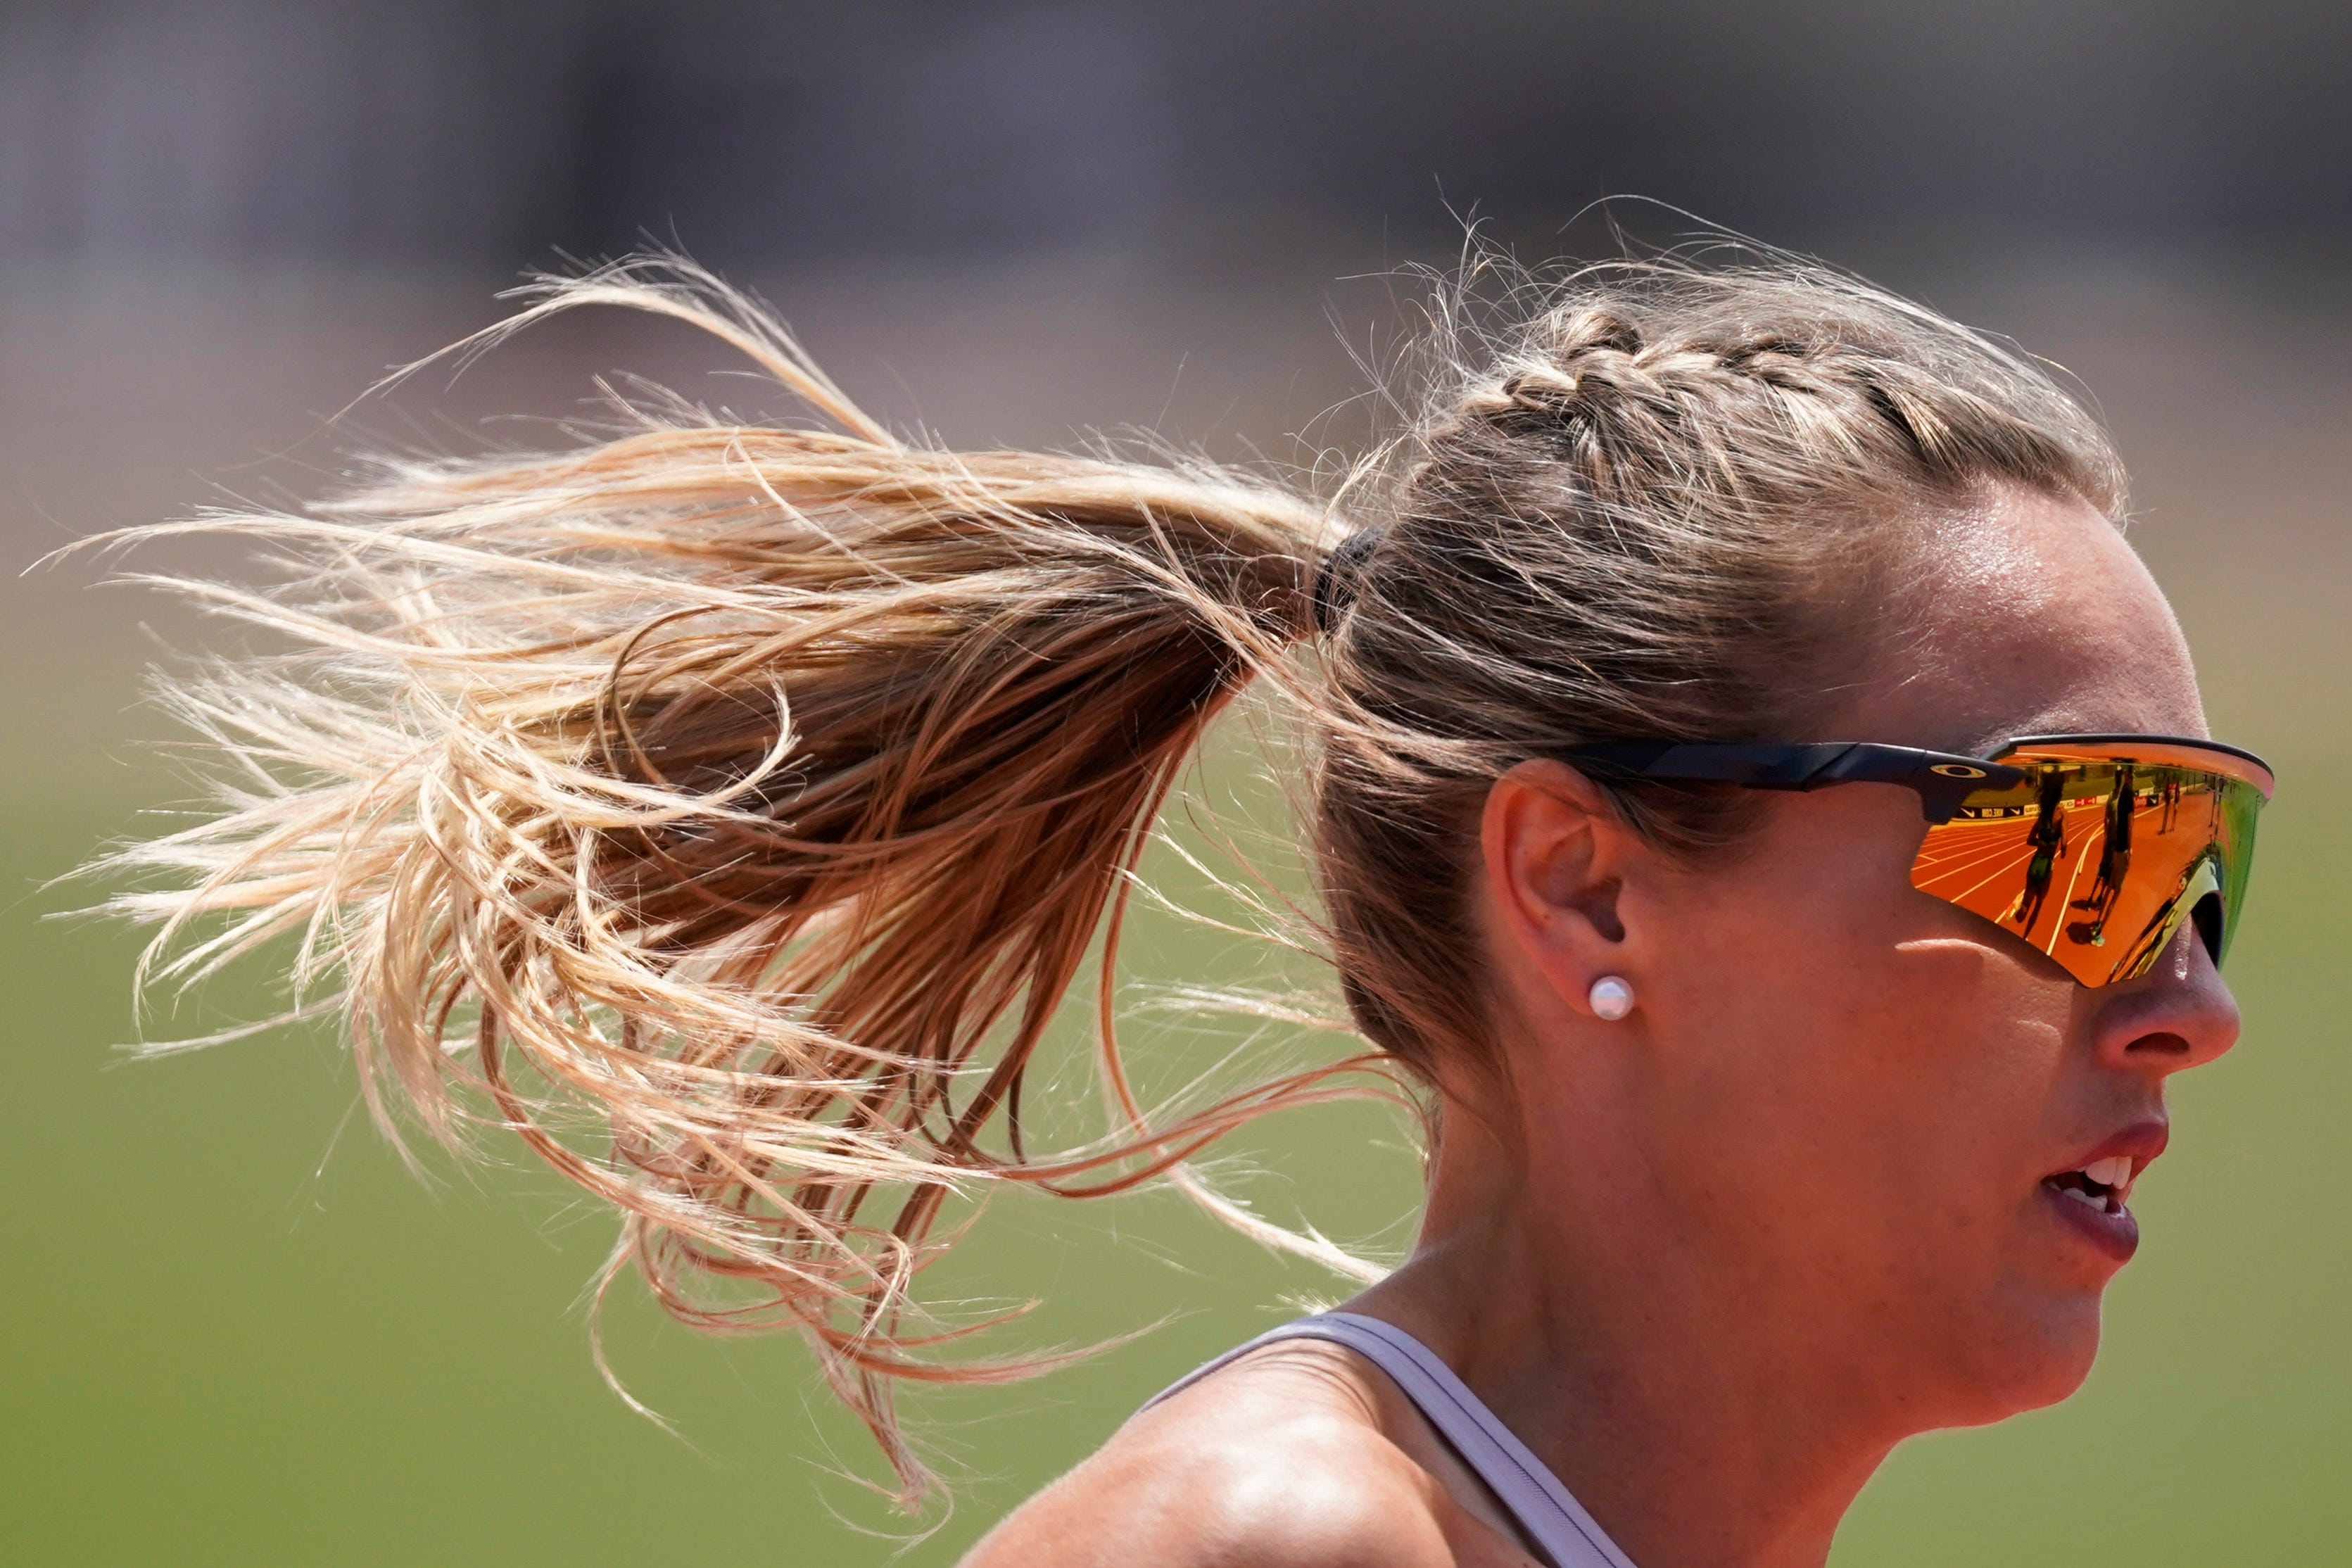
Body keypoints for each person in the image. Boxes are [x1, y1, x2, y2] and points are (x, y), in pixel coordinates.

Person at [88, 251, 2268, 1568]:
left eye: (2201, 868)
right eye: (2078, 844)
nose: (2190, 1003)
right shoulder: (1275, 1551)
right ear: (1583, 880)